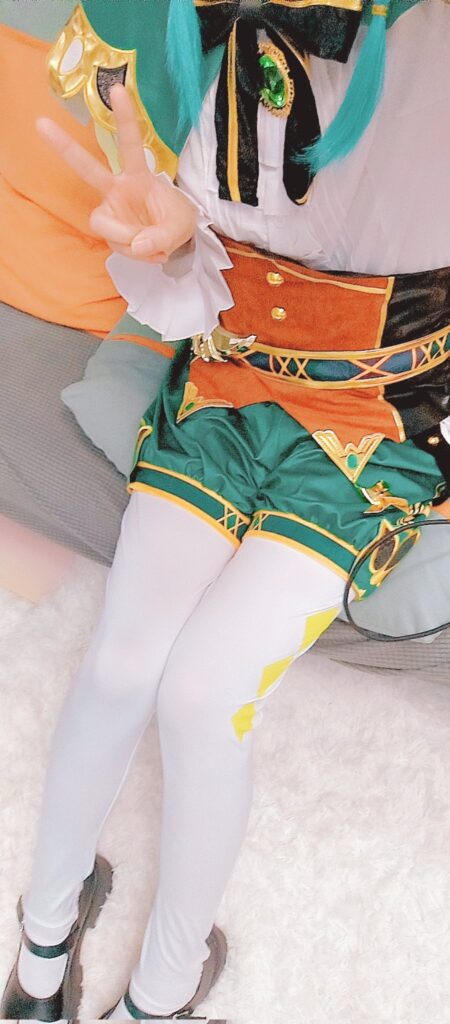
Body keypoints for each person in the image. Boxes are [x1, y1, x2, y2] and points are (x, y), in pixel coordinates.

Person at [1, 0, 449, 1019]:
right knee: (127, 663)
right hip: (224, 393)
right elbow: (193, 278)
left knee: (199, 691)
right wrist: (169, 244)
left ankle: (111, 985)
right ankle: (51, 964)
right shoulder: (195, 38)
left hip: (366, 435)